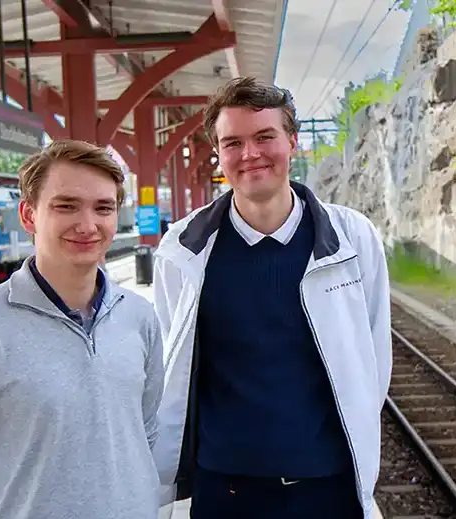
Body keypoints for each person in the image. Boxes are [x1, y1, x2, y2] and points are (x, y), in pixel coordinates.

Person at [151, 77, 392, 519]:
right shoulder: (182, 249)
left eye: (265, 136)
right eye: (233, 142)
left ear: (292, 141)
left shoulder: (352, 237)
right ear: (218, 153)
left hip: (329, 484)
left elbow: (374, 358)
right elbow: (171, 363)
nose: (250, 154)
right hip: (225, 489)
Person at [0, 139, 165, 519]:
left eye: (103, 208)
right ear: (29, 216)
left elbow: (143, 434)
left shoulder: (139, 317)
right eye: (66, 205)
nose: (87, 224)